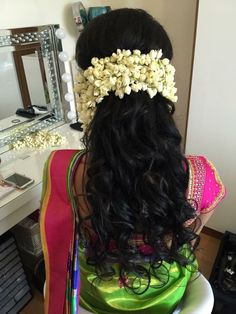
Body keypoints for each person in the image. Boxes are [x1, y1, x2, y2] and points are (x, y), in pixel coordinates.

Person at [40, 8, 226, 314]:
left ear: (89, 87)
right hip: (168, 299)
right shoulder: (199, 174)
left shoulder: (62, 168)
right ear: (162, 81)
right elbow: (190, 238)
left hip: (93, 299)